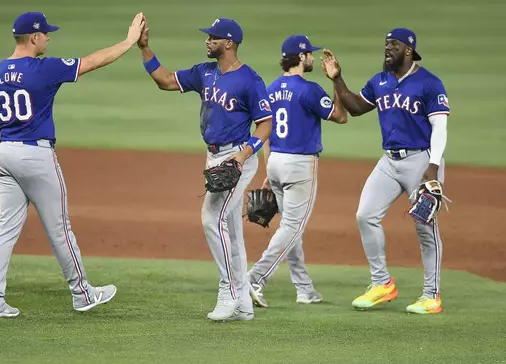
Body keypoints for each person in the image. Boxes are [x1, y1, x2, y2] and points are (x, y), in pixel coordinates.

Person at [0, 11, 146, 318]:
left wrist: (17, 120)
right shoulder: (44, 69)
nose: (48, 38)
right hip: (36, 157)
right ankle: (82, 294)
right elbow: (92, 62)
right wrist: (129, 41)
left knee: (5, 230)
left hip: (4, 154)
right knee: (60, 230)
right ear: (33, 38)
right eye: (45, 34)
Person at [137, 17, 273, 321]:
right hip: (213, 157)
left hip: (238, 157)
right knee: (232, 231)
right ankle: (244, 305)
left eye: (213, 38)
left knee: (213, 219)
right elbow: (166, 80)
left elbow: (266, 123)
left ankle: (228, 292)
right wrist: (145, 48)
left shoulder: (249, 80)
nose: (207, 41)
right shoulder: (204, 72)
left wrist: (243, 155)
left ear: (229, 43)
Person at [324, 28, 450, 314]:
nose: (387, 49)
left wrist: (433, 165)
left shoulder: (429, 83)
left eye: (393, 45)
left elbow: (440, 127)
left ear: (408, 50)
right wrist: (337, 78)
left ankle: (432, 295)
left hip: (421, 160)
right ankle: (382, 284)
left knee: (425, 227)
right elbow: (355, 107)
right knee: (365, 215)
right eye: (385, 44)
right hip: (389, 162)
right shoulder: (379, 81)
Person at [247, 35, 347, 308]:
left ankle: (305, 289)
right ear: (300, 58)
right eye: (310, 54)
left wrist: (268, 169)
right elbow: (340, 115)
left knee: (292, 229)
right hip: (300, 165)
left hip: (276, 161)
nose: (312, 58)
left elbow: (265, 131)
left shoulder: (269, 89)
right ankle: (254, 280)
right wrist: (335, 81)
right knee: (293, 227)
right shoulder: (309, 90)